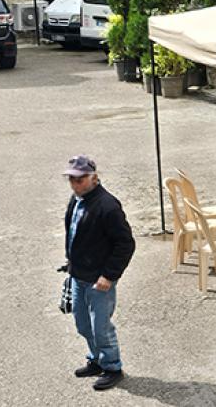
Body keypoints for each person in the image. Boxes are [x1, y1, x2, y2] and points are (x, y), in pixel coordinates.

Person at [62, 155, 135, 391]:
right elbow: (74, 233)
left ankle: (112, 367)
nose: (75, 184)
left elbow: (125, 244)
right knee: (83, 324)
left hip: (99, 281)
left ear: (94, 177)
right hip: (78, 275)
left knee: (101, 328)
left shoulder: (107, 206)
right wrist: (71, 261)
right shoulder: (76, 200)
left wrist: (109, 275)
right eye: (71, 179)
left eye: (80, 179)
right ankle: (96, 360)